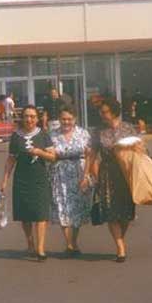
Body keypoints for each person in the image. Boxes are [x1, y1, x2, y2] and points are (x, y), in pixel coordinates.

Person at [89, 97, 142, 263]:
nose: (101, 114)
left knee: (126, 213)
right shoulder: (98, 131)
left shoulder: (128, 128)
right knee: (111, 212)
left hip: (126, 173)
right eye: (100, 112)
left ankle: (120, 238)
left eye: (104, 111)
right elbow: (92, 154)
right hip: (107, 173)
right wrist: (91, 174)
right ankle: (120, 248)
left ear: (114, 112)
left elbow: (140, 149)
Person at [0, 105, 55, 261]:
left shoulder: (44, 135)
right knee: (25, 214)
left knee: (40, 214)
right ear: (22, 118)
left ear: (37, 119)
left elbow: (53, 157)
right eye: (26, 116)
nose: (29, 119)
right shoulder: (16, 137)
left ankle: (40, 249)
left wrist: (40, 152)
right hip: (22, 179)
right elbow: (11, 159)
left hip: (39, 178)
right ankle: (30, 242)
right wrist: (4, 180)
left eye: (32, 116)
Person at [49, 106, 91, 255]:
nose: (66, 122)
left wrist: (86, 175)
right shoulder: (52, 134)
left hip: (78, 172)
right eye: (63, 119)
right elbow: (49, 154)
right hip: (59, 174)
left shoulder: (83, 133)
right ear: (59, 119)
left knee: (76, 208)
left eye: (69, 119)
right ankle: (68, 244)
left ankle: (74, 240)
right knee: (62, 207)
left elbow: (89, 156)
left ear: (75, 119)